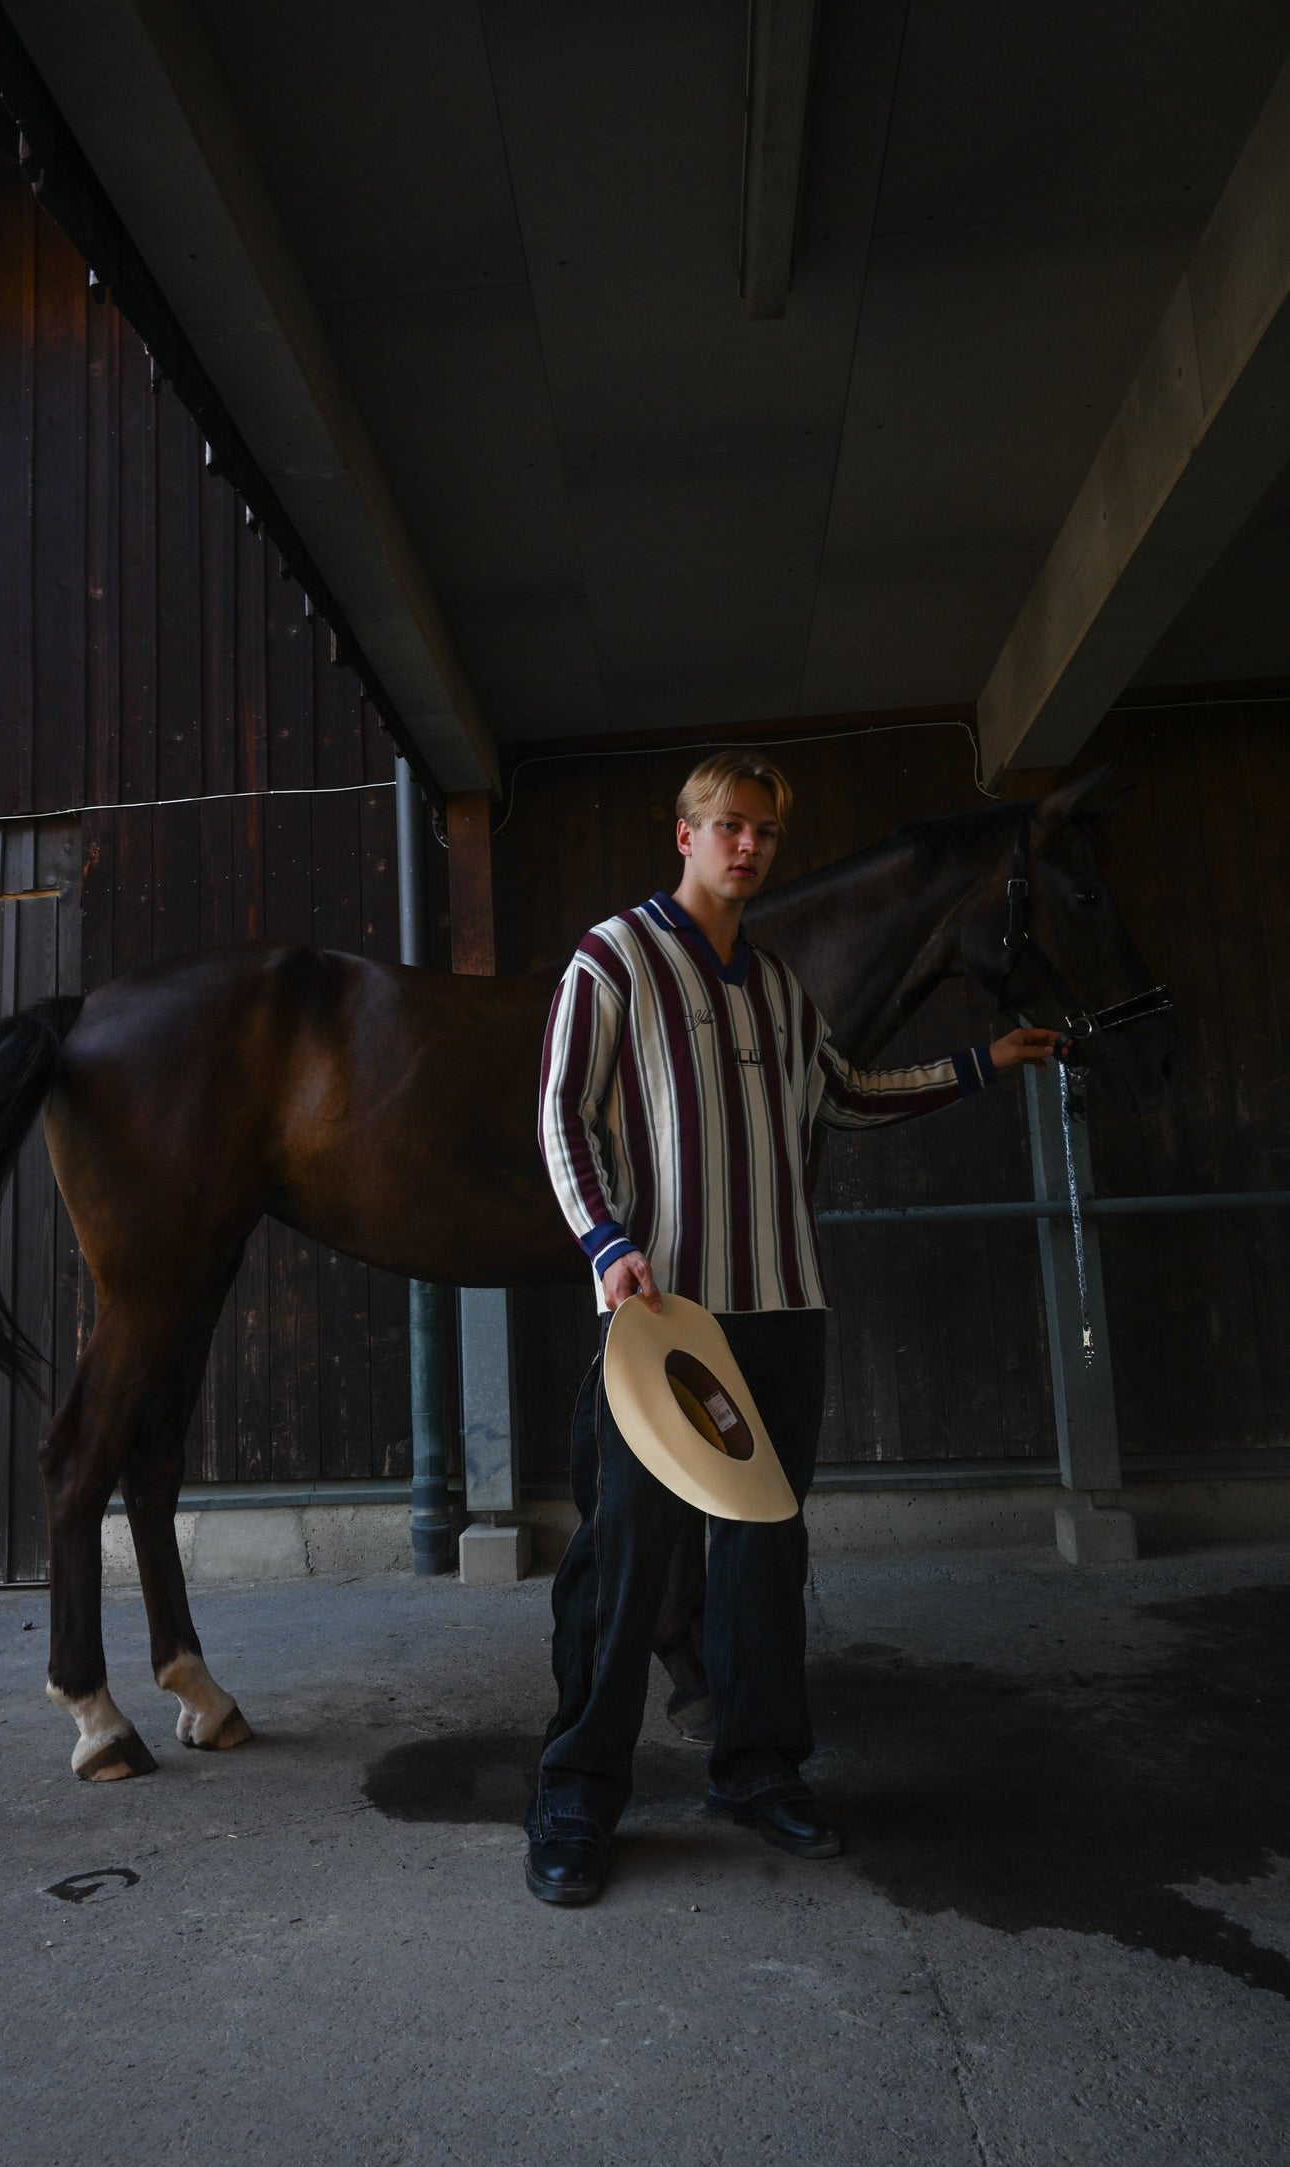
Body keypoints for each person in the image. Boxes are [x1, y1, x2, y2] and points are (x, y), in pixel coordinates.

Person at [527, 750, 1062, 1906]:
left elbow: (847, 1096)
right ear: (683, 834)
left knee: (766, 1553)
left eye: (764, 831)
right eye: (727, 825)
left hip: (785, 1315)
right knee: (626, 1558)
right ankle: (576, 1791)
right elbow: (560, 1113)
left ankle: (758, 1768)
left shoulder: (776, 986)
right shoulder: (611, 956)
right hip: (666, 1320)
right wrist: (608, 1246)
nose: (747, 846)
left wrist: (984, 1062)